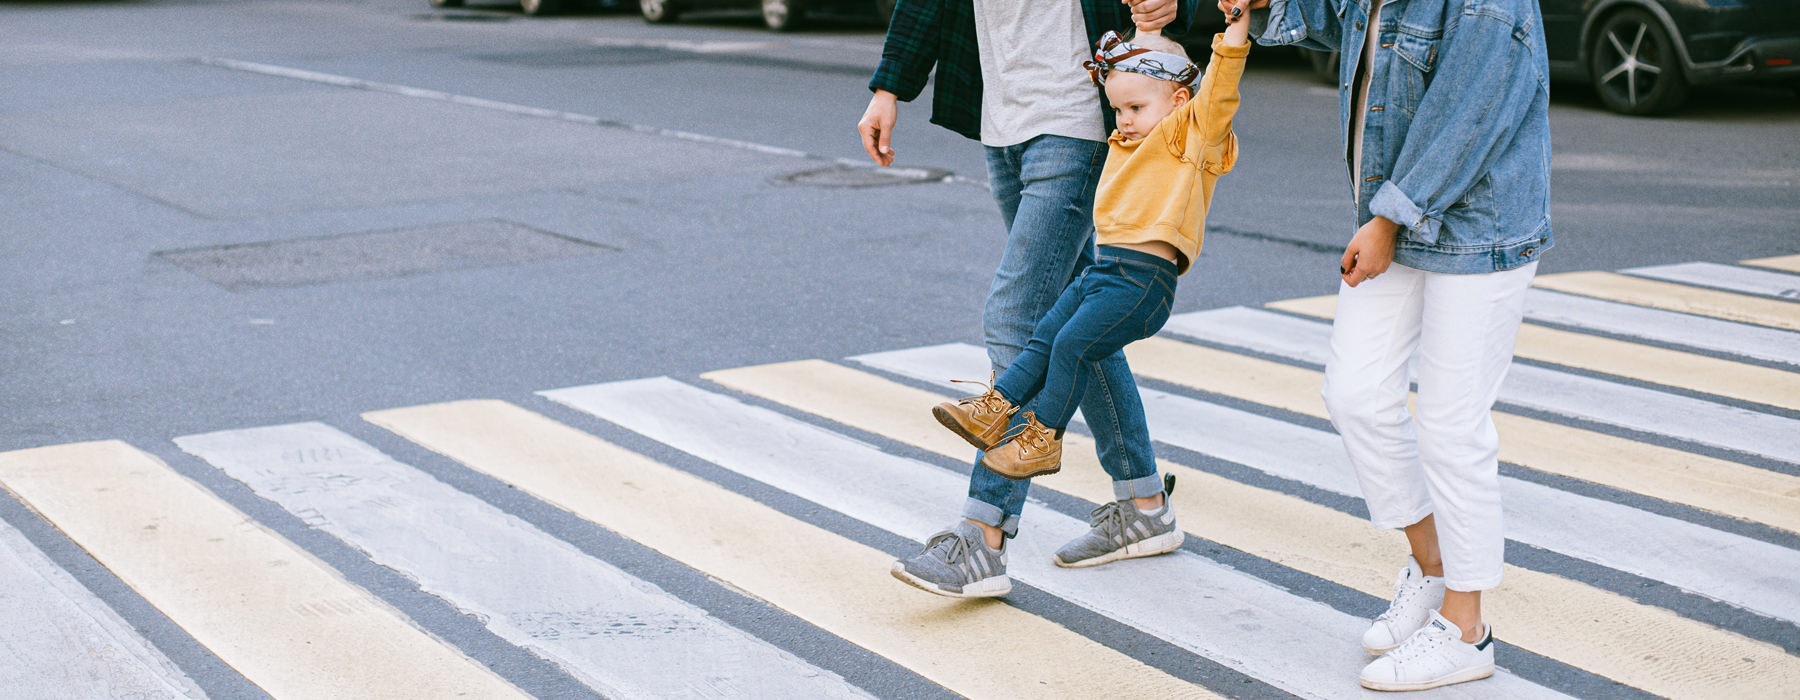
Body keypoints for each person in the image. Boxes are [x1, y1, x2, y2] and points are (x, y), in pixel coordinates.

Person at [1232, 0, 1552, 691]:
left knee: (1449, 424)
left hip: (1476, 222)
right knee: (1355, 394)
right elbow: (1334, 18)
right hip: (1396, 212)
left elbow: (1473, 110)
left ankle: (1468, 631)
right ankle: (1433, 564)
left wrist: (1388, 218)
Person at [857, 0, 1200, 599]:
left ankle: (982, 536)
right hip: (1003, 122)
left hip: (1078, 119)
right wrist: (889, 86)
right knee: (1075, 313)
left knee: (1018, 319)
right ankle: (1145, 504)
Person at [934, 25, 1249, 488]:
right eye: (1118, 108)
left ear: (1181, 103)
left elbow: (1220, 88)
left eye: (1136, 108)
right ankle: (995, 408)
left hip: (1143, 282)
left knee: (1071, 347)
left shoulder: (1189, 142)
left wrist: (1236, 26)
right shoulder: (1126, 145)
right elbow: (1135, 79)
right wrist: (1142, 34)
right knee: (1046, 334)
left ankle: (1044, 438)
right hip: (1106, 273)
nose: (1123, 119)